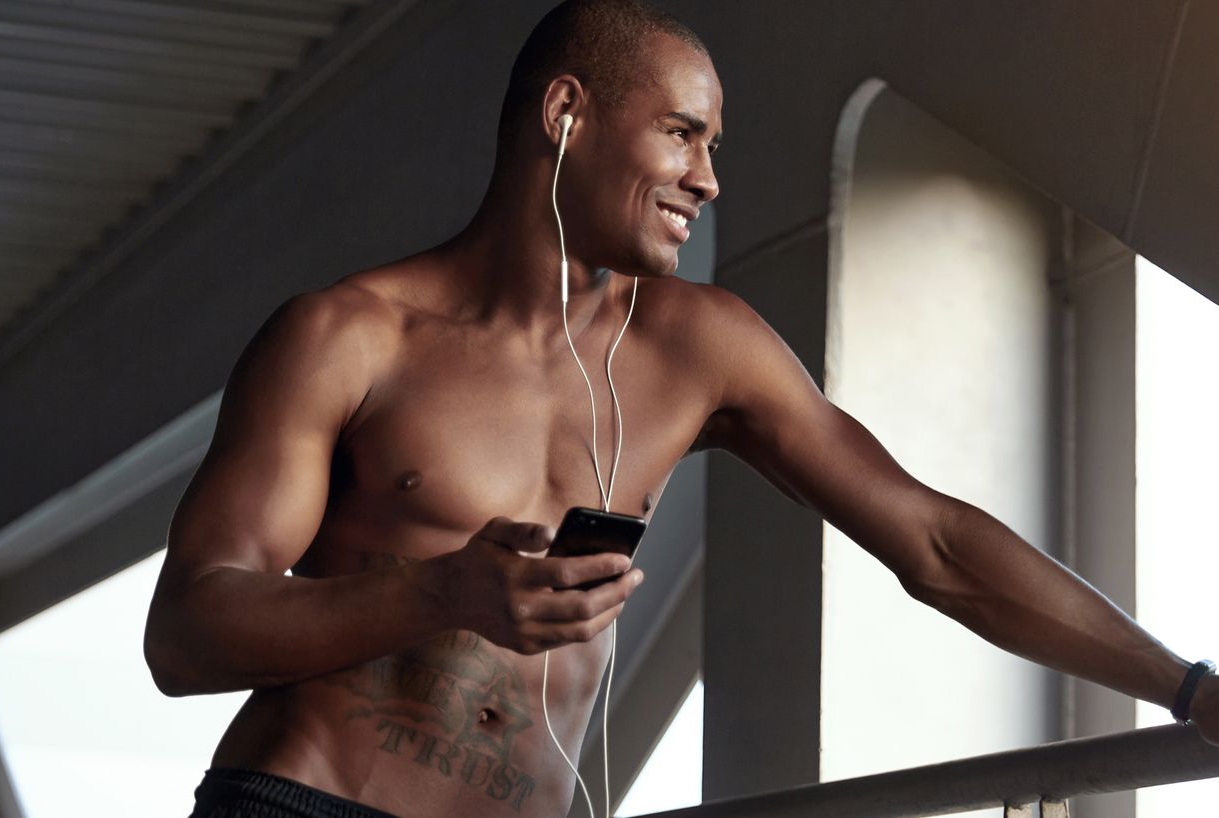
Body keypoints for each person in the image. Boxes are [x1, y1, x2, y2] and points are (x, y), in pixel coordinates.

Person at [143, 1, 1219, 816]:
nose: (708, 180)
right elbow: (186, 633)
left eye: (713, 146)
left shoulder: (700, 345)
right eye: (680, 134)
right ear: (567, 115)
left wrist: (1187, 685)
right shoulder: (348, 334)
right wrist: (442, 592)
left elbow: (933, 540)